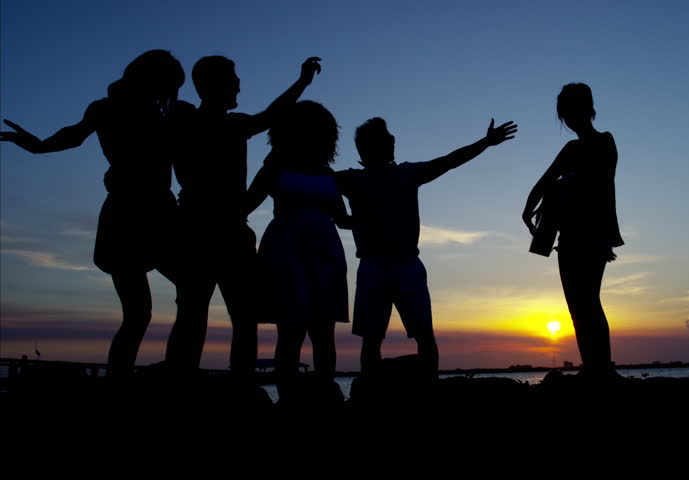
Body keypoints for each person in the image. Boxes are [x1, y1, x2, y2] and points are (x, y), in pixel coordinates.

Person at [0, 50, 193, 376]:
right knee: (150, 308)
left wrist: (39, 146)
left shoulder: (150, 113)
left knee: (167, 300)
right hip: (133, 212)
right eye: (168, 85)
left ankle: (167, 370)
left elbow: (73, 135)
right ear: (151, 80)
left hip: (154, 212)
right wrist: (38, 145)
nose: (170, 93)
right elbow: (74, 136)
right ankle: (140, 378)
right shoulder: (128, 112)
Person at [166, 56, 322, 376]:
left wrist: (303, 82)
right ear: (215, 85)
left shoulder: (198, 121)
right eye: (233, 78)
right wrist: (303, 82)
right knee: (231, 317)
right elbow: (271, 115)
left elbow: (270, 115)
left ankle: (194, 382)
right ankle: (230, 385)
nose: (239, 84)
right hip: (214, 230)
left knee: (202, 315)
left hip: (210, 229)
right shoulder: (211, 122)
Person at [336, 117, 517, 376]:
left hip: (407, 264)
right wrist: (345, 218)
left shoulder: (407, 173)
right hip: (373, 266)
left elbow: (450, 161)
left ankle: (429, 389)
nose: (391, 143)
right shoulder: (351, 180)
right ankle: (371, 395)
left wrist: (486, 143)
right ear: (367, 148)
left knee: (423, 335)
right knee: (372, 339)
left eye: (390, 139)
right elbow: (316, 178)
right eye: (385, 139)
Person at [246, 100, 350, 395]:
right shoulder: (275, 165)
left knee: (323, 329)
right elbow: (246, 203)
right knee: (290, 329)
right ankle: (288, 396)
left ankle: (325, 391)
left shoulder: (328, 175)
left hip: (326, 251)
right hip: (285, 249)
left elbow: (342, 219)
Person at [522, 83, 624, 379]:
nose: (569, 118)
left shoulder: (605, 142)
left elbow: (598, 185)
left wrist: (562, 187)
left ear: (588, 110)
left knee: (589, 300)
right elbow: (543, 182)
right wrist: (529, 208)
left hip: (594, 234)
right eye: (565, 114)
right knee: (577, 306)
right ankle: (592, 367)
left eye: (573, 111)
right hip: (568, 236)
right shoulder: (571, 149)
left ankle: (601, 368)